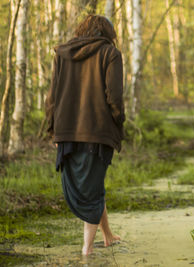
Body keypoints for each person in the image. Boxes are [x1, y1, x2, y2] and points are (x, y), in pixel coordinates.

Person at [45, 14, 125, 256]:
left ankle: (108, 236)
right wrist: (119, 121)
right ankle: (87, 251)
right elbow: (115, 96)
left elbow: (52, 96)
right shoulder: (111, 54)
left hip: (67, 131)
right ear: (108, 32)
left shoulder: (62, 53)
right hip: (97, 131)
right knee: (90, 190)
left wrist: (52, 127)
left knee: (92, 184)